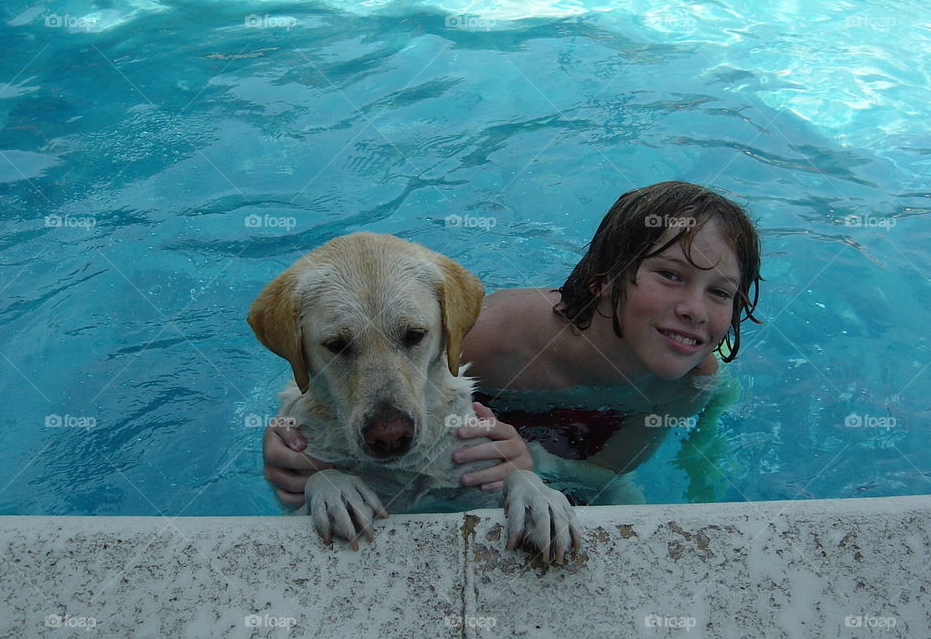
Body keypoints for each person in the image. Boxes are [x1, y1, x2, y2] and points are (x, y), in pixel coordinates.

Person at [261, 180, 762, 508]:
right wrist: (286, 433)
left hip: (551, 447)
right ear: (607, 279)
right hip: (486, 425)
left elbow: (610, 472)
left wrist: (533, 463)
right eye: (670, 276)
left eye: (720, 292)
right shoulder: (497, 335)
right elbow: (352, 361)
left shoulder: (685, 382)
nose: (696, 309)